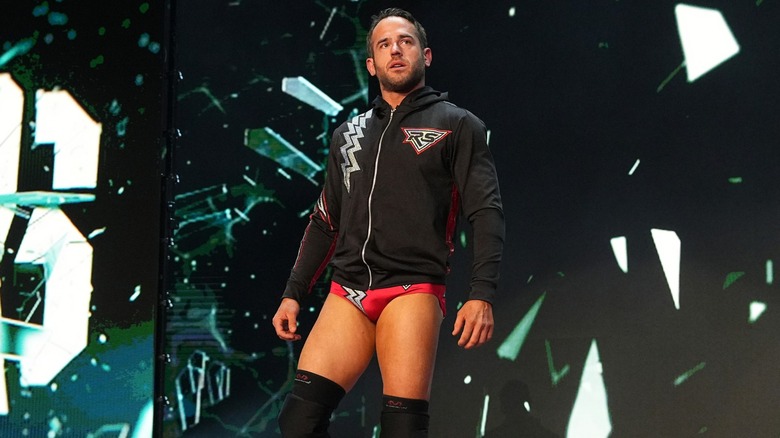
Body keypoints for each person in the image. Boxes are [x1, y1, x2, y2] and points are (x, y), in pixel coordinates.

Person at [272, 7, 504, 437]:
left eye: (406, 41)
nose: (395, 49)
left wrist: (482, 293)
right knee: (298, 421)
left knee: (401, 429)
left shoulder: (457, 124)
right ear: (371, 64)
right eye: (384, 44)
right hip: (348, 292)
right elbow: (325, 222)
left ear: (426, 56)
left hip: (411, 288)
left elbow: (485, 211)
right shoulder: (348, 134)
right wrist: (293, 293)